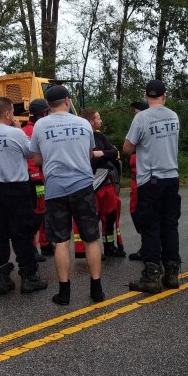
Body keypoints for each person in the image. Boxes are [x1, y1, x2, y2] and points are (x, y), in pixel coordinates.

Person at [29, 85, 104, 306]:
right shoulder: (82, 123)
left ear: (47, 105)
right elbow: (90, 154)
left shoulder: (40, 125)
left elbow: (37, 159)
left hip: (56, 189)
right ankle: (96, 289)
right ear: (67, 100)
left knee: (61, 241)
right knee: (91, 238)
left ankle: (64, 293)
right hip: (82, 186)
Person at [0, 97, 48, 296]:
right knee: (22, 232)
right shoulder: (15, 133)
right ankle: (29, 277)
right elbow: (32, 154)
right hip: (16, 188)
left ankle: (2, 279)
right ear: (7, 114)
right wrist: (17, 127)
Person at [122, 79, 181, 293]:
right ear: (164, 96)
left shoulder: (141, 118)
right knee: (170, 224)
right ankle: (172, 272)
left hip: (151, 178)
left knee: (150, 226)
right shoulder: (173, 116)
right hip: (172, 176)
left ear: (147, 97)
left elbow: (127, 148)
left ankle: (151, 276)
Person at [81, 107, 126, 258]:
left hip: (106, 183)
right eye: (98, 118)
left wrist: (101, 153)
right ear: (91, 121)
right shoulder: (82, 137)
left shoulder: (99, 136)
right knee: (94, 218)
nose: (101, 120)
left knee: (110, 216)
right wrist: (103, 156)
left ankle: (109, 247)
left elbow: (114, 152)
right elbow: (88, 158)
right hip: (91, 184)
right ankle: (93, 251)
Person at [22, 98, 51, 259]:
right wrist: (37, 179)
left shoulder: (36, 128)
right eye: (47, 112)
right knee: (35, 214)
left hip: (42, 177)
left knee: (44, 213)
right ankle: (32, 249)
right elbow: (31, 158)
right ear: (42, 113)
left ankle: (46, 244)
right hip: (35, 180)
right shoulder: (30, 130)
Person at [126, 100, 148, 261]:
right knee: (135, 211)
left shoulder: (145, 127)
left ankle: (149, 247)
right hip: (136, 179)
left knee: (143, 213)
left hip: (144, 179)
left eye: (136, 112)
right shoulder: (137, 128)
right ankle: (146, 245)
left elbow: (127, 147)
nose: (134, 115)